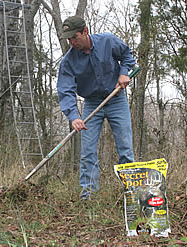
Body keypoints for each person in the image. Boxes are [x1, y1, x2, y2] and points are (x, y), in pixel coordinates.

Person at [57, 16, 136, 199]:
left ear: (85, 31)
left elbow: (126, 55)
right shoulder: (68, 61)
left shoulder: (107, 41)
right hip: (92, 103)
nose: (72, 42)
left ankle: (131, 193)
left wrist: (124, 73)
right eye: (69, 39)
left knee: (125, 148)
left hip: (116, 98)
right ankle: (89, 196)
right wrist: (74, 116)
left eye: (74, 37)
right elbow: (65, 89)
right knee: (88, 152)